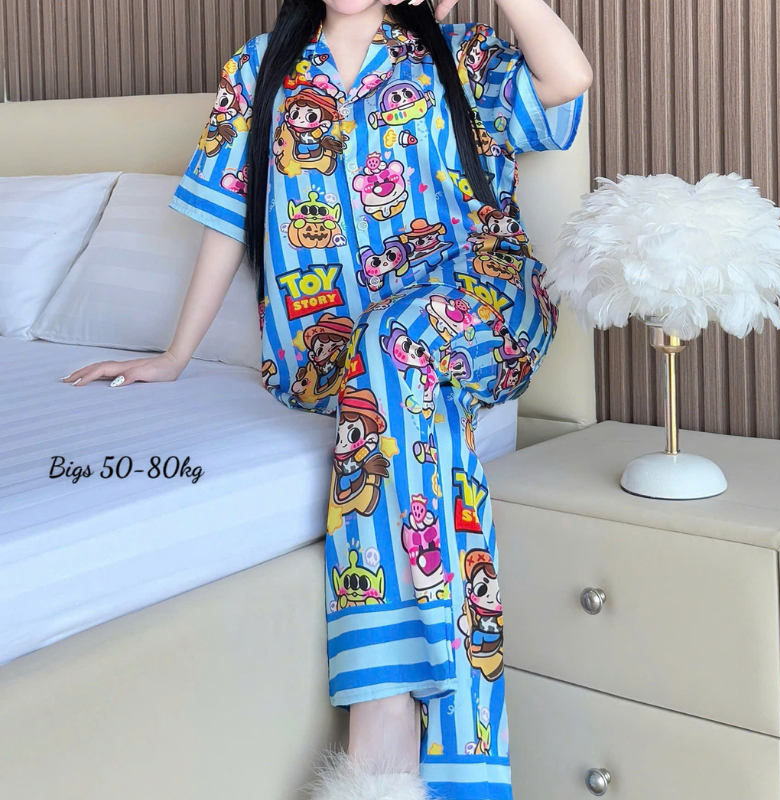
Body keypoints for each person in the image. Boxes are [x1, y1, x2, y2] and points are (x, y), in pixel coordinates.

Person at [61, 1, 592, 797]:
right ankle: (462, 770)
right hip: (331, 353)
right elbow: (225, 219)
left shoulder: (460, 54)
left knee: (395, 347)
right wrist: (175, 356)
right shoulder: (259, 70)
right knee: (396, 394)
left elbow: (569, 77)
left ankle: (380, 721)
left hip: (484, 310)